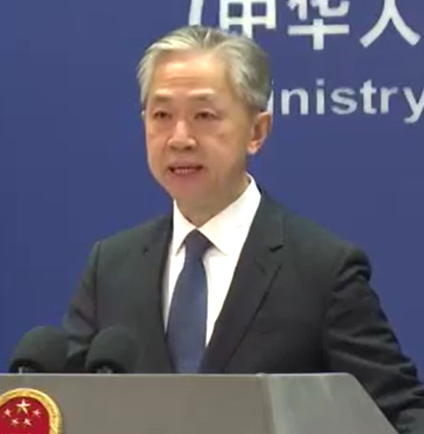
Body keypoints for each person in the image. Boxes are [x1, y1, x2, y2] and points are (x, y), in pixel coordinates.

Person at [62, 25, 424, 433]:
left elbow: (399, 414)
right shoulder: (111, 267)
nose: (179, 138)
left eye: (204, 115)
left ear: (257, 131)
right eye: (162, 115)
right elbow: (64, 405)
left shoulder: (323, 270)